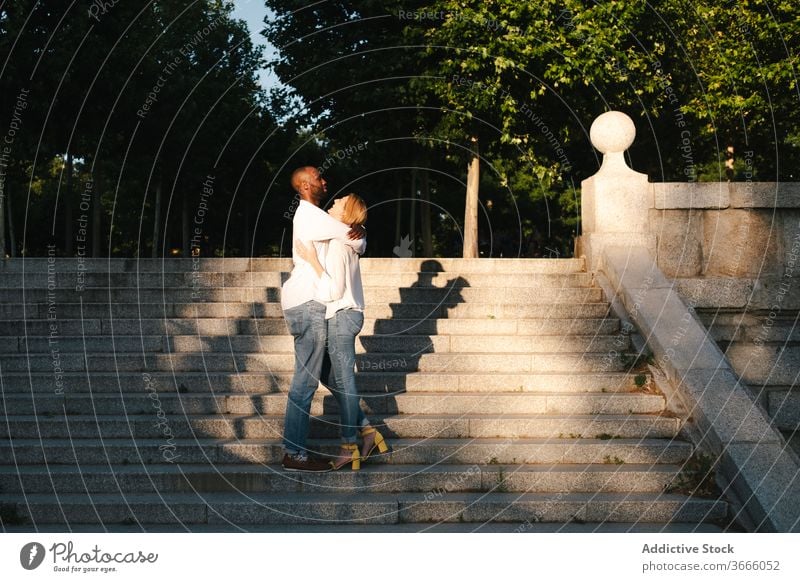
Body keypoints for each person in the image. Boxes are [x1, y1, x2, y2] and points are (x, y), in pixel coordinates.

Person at [294, 194, 389, 471]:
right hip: (345, 315)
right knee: (325, 373)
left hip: (341, 315)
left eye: (340, 200)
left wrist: (312, 260)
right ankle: (368, 430)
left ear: (346, 212)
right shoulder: (347, 238)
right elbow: (359, 240)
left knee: (345, 383)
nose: (334, 200)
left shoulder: (339, 244)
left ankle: (349, 445)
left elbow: (332, 289)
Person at [280, 166, 365, 472]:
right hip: (309, 303)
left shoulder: (313, 216)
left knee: (319, 375)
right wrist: (360, 230)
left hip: (302, 303)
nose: (324, 180)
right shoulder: (312, 216)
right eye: (318, 177)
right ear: (305, 186)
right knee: (304, 385)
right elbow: (354, 236)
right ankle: (294, 453)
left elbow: (355, 236)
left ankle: (363, 429)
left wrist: (360, 231)